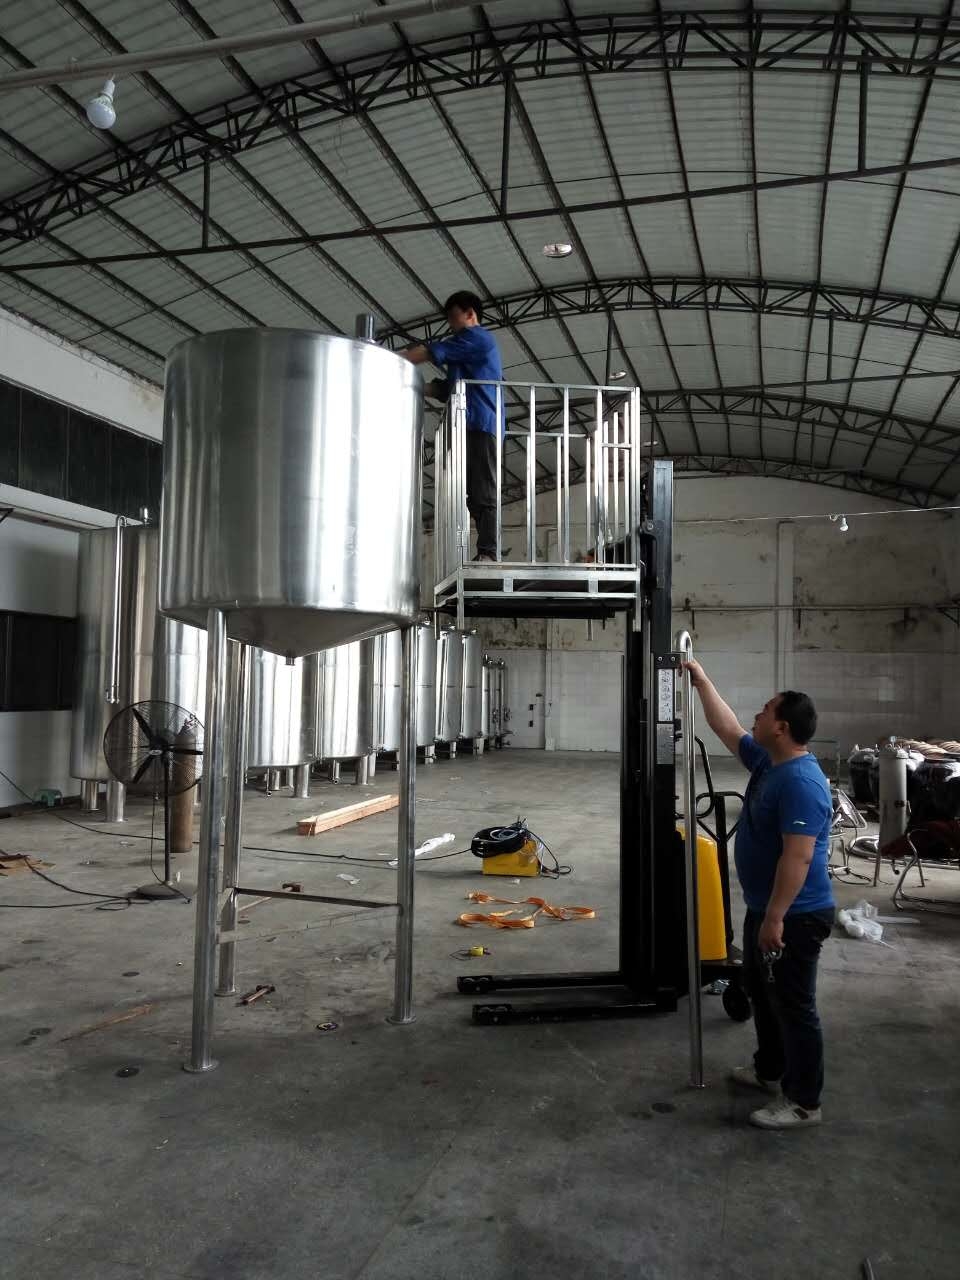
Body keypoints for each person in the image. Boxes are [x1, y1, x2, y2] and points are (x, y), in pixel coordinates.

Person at [684, 663, 835, 1131]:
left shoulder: (801, 782)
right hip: (765, 908)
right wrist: (702, 680)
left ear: (782, 727)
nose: (757, 714)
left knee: (793, 1006)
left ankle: (804, 1102)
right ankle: (769, 1069)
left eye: (766, 710)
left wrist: (775, 918)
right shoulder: (772, 762)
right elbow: (728, 729)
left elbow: (799, 857)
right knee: (764, 994)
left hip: (796, 915)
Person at [402, 291, 504, 561]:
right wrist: (412, 384)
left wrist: (395, 359)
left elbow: (433, 352)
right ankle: (484, 551)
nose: (450, 324)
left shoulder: (478, 338)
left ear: (470, 314)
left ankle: (489, 552)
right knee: (472, 492)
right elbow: (448, 388)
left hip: (482, 422)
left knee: (483, 489)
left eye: (453, 317)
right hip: (466, 425)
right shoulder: (465, 352)